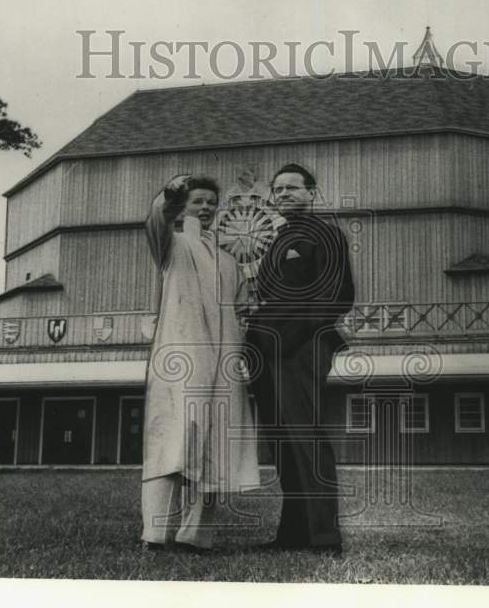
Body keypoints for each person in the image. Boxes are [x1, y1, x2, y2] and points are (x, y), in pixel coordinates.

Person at [140, 174, 260, 553]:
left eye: (211, 202)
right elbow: (158, 219)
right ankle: (154, 533)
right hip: (183, 356)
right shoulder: (172, 247)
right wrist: (172, 194)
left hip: (223, 361)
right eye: (198, 202)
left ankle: (196, 534)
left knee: (216, 442)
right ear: (184, 206)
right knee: (173, 438)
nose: (206, 208)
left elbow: (245, 311)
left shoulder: (228, 261)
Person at [245, 163, 355, 555]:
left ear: (312, 193)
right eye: (278, 190)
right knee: (283, 444)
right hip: (266, 350)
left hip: (302, 348)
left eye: (293, 188)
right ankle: (292, 534)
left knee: (306, 438)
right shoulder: (279, 239)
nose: (284, 194)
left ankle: (325, 537)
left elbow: (338, 294)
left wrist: (290, 339)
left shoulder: (325, 233)